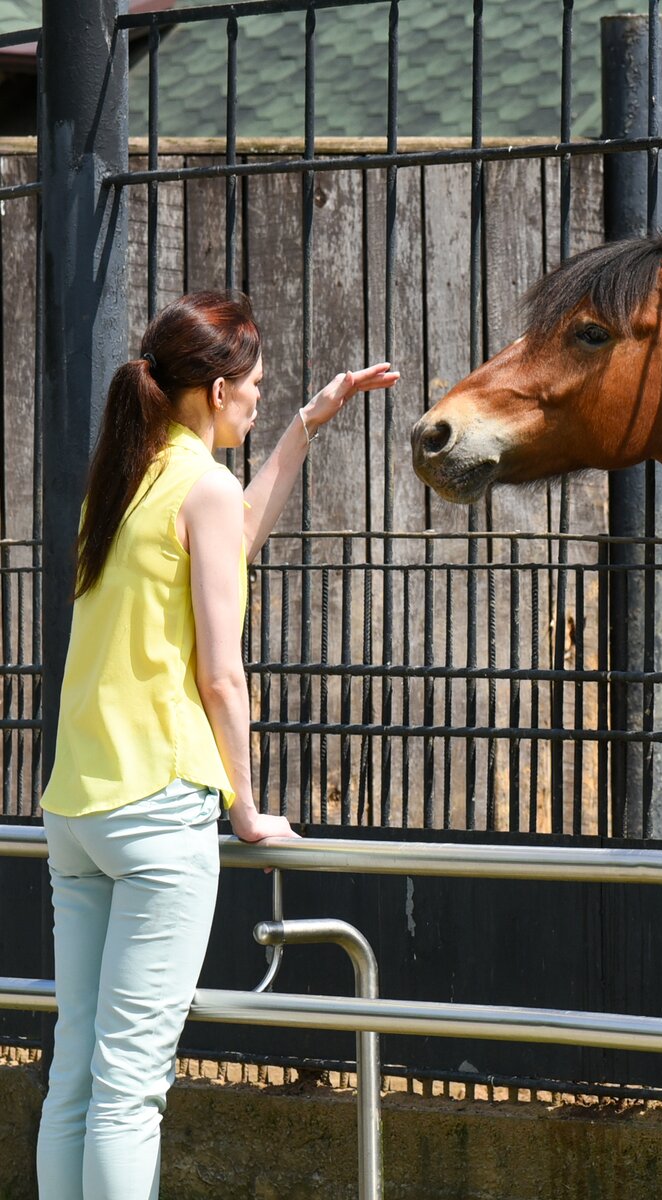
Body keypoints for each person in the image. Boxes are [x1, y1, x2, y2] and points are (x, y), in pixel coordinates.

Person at [35, 291, 398, 1200]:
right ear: (217, 388)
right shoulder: (197, 482)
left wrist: (309, 425)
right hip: (160, 805)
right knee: (132, 1088)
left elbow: (229, 539)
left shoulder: (128, 478)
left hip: (78, 809)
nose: (260, 402)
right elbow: (222, 676)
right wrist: (245, 802)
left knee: (77, 1069)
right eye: (259, 391)